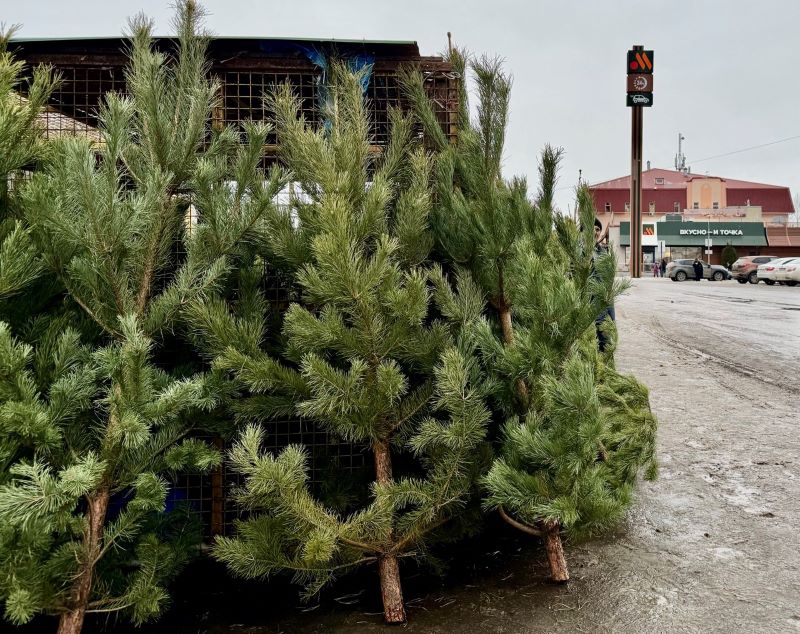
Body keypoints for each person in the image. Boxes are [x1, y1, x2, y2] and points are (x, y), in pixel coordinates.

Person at [592, 218, 616, 352]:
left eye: (598, 229)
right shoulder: (577, 254)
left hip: (602, 308)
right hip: (585, 310)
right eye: (592, 229)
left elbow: (608, 286)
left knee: (605, 346)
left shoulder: (604, 253)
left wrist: (612, 318)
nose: (595, 232)